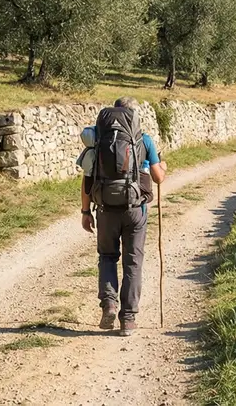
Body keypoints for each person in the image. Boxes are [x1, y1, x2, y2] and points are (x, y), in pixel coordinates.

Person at [78, 97, 167, 336]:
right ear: (134, 115)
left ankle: (109, 304)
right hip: (135, 210)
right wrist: (163, 166)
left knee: (107, 257)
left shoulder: (98, 139)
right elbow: (158, 178)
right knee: (133, 261)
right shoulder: (143, 139)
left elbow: (87, 180)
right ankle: (128, 319)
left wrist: (86, 212)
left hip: (105, 208)